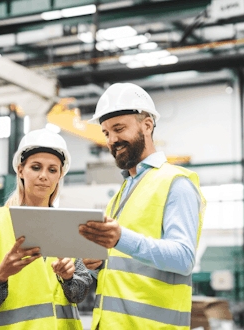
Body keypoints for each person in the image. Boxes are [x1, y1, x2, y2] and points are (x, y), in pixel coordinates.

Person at [79, 83, 206, 330]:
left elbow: (184, 258)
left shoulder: (176, 183)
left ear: (147, 125)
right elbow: (126, 267)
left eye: (119, 128)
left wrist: (120, 239)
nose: (112, 140)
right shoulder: (119, 196)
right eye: (106, 133)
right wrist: (96, 264)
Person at [0, 129, 92, 330]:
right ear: (20, 170)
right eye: (36, 167)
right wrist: (0, 276)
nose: (44, 176)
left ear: (60, 175)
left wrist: (69, 278)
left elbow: (79, 294)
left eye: (52, 170)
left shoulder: (69, 224)